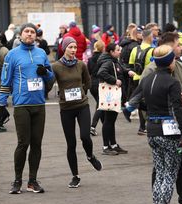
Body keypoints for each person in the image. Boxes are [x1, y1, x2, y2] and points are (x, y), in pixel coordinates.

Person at [124, 32, 182, 204]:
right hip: (171, 129)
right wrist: (180, 132)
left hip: (173, 126)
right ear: (168, 48)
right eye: (178, 45)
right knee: (164, 172)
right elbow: (143, 101)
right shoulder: (151, 72)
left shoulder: (181, 67)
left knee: (180, 167)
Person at [0, 23, 55, 194]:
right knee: (23, 143)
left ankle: (32, 181)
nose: (30, 34)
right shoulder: (12, 55)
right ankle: (17, 181)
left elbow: (51, 78)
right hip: (22, 105)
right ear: (20, 35)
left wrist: (45, 72)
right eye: (26, 32)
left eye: (32, 32)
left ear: (36, 35)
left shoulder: (41, 53)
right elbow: (5, 80)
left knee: (36, 144)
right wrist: (1, 104)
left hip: (39, 104)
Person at [140, 44, 182, 204]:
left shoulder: (147, 80)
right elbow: (177, 111)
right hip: (169, 133)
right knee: (169, 174)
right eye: (174, 58)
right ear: (170, 62)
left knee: (160, 173)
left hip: (152, 132)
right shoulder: (172, 83)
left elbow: (141, 103)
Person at [52, 37, 103, 188]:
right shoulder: (56, 67)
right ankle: (75, 176)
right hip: (66, 108)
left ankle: (90, 156)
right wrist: (43, 74)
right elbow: (49, 85)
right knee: (71, 143)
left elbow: (88, 81)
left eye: (75, 47)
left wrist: (81, 93)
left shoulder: (81, 64)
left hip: (82, 105)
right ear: (64, 49)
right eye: (70, 47)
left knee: (85, 137)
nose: (73, 50)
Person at [97, 43, 135, 155]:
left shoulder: (114, 61)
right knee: (108, 121)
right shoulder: (108, 62)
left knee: (111, 121)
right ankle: (105, 147)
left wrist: (127, 71)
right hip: (110, 95)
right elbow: (101, 73)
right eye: (118, 50)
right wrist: (114, 80)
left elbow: (120, 68)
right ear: (111, 52)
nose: (120, 51)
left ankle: (113, 145)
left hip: (114, 95)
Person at [128, 29, 154, 135]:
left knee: (140, 102)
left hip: (136, 79)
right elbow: (154, 66)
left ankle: (142, 127)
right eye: (152, 36)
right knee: (149, 102)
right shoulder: (152, 50)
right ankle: (149, 125)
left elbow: (131, 64)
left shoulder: (135, 49)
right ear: (148, 37)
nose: (153, 38)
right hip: (148, 79)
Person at [87, 40, 105, 136]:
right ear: (102, 48)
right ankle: (92, 127)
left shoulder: (90, 59)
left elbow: (88, 71)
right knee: (100, 106)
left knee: (99, 104)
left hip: (92, 84)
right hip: (100, 83)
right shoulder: (103, 58)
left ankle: (105, 126)